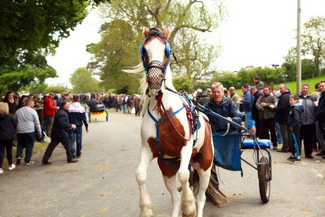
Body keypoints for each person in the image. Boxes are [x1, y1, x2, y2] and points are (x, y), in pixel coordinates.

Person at [42, 101, 79, 165]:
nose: (69, 107)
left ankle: (45, 159)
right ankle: (70, 158)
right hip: (61, 133)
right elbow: (61, 123)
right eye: (68, 106)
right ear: (64, 106)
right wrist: (70, 125)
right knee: (68, 144)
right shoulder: (62, 113)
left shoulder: (61, 112)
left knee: (51, 147)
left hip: (56, 132)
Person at [14, 99, 42, 165]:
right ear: (30, 103)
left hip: (20, 130)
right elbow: (37, 122)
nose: (34, 105)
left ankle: (19, 155)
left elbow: (15, 120)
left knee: (20, 143)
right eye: (33, 103)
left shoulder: (18, 111)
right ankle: (27, 160)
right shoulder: (33, 111)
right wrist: (39, 132)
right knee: (29, 145)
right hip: (30, 130)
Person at [273, 84, 292, 152]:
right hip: (288, 116)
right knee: (289, 133)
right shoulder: (289, 95)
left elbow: (282, 107)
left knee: (284, 133)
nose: (279, 90)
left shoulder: (284, 97)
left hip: (283, 117)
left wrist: (274, 108)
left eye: (281, 88)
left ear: (285, 88)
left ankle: (285, 147)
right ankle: (290, 146)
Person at [298, 84, 315, 159]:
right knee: (299, 138)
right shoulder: (297, 97)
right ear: (301, 89)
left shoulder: (311, 98)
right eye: (303, 88)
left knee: (308, 139)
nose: (305, 89)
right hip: (300, 122)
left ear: (308, 90)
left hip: (309, 122)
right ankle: (298, 153)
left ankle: (308, 153)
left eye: (306, 88)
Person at [0, 103, 17, 174]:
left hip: (0, 136)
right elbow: (15, 124)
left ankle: (0, 168)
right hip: (9, 135)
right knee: (9, 151)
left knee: (1, 151)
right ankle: (10, 164)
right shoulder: (10, 116)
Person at [287, 94, 304, 161]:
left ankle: (298, 155)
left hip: (295, 127)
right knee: (293, 141)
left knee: (296, 141)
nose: (290, 101)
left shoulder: (295, 108)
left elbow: (296, 119)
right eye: (289, 100)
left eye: (292, 100)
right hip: (294, 126)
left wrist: (292, 126)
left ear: (296, 100)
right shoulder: (293, 108)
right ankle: (293, 153)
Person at [315, 81, 325, 160]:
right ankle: (323, 150)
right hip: (321, 119)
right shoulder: (322, 96)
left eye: (322, 86)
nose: (320, 87)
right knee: (322, 136)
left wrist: (319, 114)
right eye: (319, 86)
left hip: (323, 119)